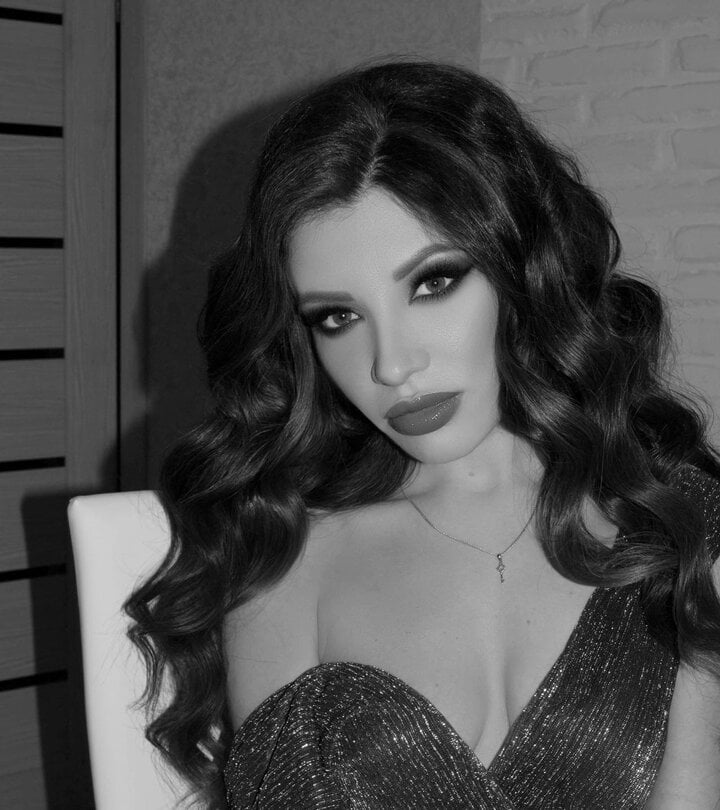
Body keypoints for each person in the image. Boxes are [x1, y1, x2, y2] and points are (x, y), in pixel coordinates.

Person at [125, 61, 720, 809]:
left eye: (433, 282)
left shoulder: (682, 525)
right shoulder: (287, 559)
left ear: (523, 267)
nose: (392, 364)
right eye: (337, 316)